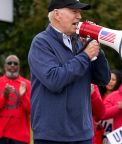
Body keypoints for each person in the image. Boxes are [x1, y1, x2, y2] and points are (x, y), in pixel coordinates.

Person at [28, 0, 111, 143]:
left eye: (79, 12)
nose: (79, 16)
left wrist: (96, 46)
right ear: (57, 14)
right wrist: (85, 56)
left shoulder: (80, 42)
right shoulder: (41, 42)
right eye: (74, 11)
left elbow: (103, 79)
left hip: (82, 134)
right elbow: (54, 80)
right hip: (52, 136)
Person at [0, 55, 31, 144]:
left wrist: (23, 96)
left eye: (15, 63)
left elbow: (32, 110)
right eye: (9, 63)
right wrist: (4, 97)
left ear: (19, 67)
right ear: (5, 66)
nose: (12, 65)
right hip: (1, 135)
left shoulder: (27, 84)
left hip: (21, 137)